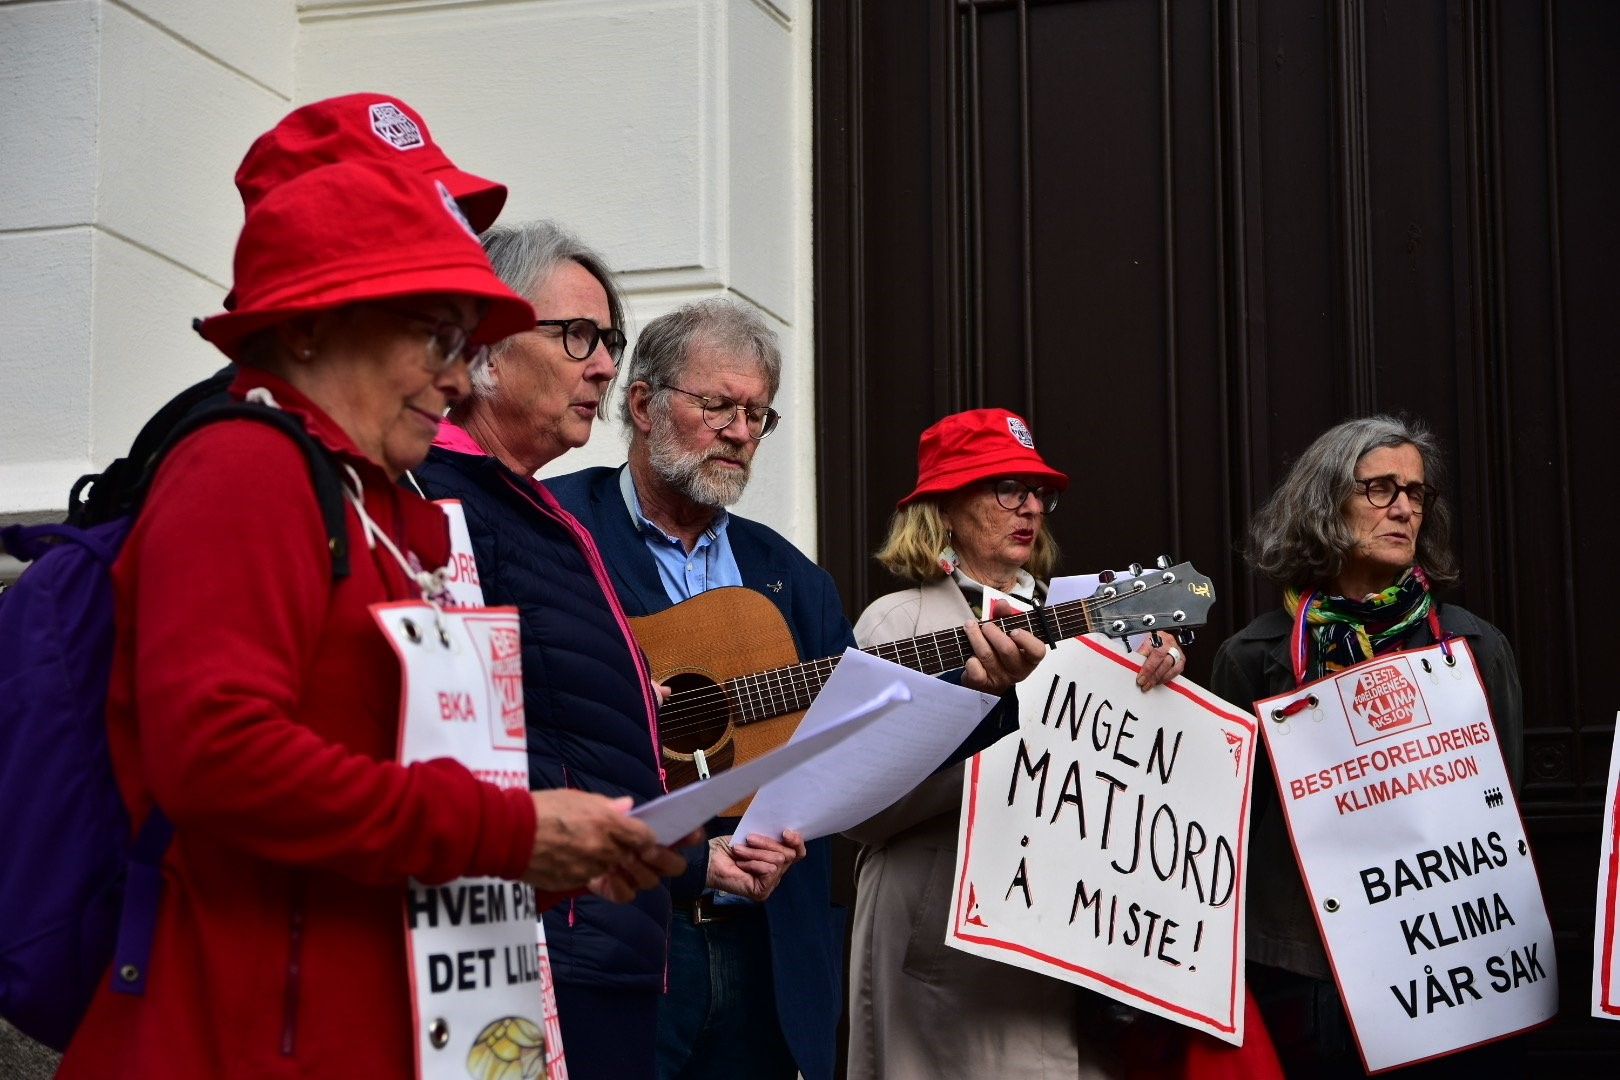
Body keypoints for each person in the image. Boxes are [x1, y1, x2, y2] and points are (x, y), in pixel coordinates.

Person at [56, 158, 685, 1076]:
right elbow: (218, 755)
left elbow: (412, 780)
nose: (456, 372)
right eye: (435, 337)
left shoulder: (384, 507)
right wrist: (511, 833)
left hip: (381, 1012)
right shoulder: (244, 467)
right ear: (314, 329)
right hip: (246, 1026)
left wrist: (566, 848)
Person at [546, 303, 1047, 1080]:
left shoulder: (791, 577)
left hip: (770, 957)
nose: (741, 432)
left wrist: (979, 692)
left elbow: (863, 745)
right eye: (718, 405)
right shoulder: (558, 535)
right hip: (625, 944)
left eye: (756, 413)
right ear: (642, 405)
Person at [410, 229, 806, 1080]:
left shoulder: (539, 521)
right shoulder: (443, 504)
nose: (600, 366)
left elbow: (566, 729)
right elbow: (483, 749)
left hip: (616, 941)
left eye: (609, 343)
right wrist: (691, 857)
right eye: (578, 337)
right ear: (484, 343)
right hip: (539, 949)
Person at [843, 407, 1187, 1079]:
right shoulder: (898, 621)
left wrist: (1159, 675)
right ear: (942, 507)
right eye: (1005, 487)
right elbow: (863, 811)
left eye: (1038, 491)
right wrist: (985, 715)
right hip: (941, 937)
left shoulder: (1086, 618)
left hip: (1065, 935)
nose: (1030, 505)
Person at [1209, 414, 1524, 1077]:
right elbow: (1227, 828)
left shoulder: (1472, 648)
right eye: (1380, 489)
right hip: (1304, 969)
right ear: (1326, 503)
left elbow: (1504, 811)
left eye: (1416, 493)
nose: (1405, 507)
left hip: (1441, 964)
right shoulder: (1256, 655)